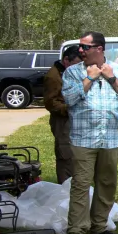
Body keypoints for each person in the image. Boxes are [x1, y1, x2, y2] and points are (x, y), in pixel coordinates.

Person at [62, 32, 118, 234]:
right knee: (80, 184)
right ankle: (76, 230)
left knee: (106, 183)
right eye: (80, 47)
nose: (81, 51)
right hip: (83, 138)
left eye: (86, 47)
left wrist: (111, 78)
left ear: (100, 49)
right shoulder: (73, 72)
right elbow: (69, 98)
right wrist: (90, 78)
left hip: (112, 137)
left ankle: (99, 227)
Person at [43, 44, 81, 184]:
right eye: (76, 64)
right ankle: (65, 187)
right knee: (65, 154)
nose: (79, 68)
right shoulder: (53, 76)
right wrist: (69, 108)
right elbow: (50, 102)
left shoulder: (69, 72)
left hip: (72, 120)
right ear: (66, 60)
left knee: (75, 153)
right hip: (62, 121)